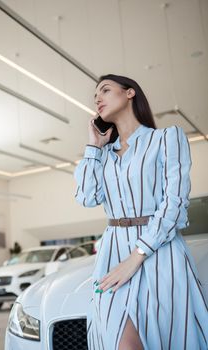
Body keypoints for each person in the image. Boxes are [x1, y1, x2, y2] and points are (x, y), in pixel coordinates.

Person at [74, 74, 208, 350]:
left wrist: (136, 256)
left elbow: (174, 204)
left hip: (160, 252)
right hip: (112, 253)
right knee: (121, 342)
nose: (98, 98)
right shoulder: (104, 155)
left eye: (105, 90)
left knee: (168, 337)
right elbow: (87, 197)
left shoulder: (167, 138)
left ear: (130, 93)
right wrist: (93, 147)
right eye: (95, 96)